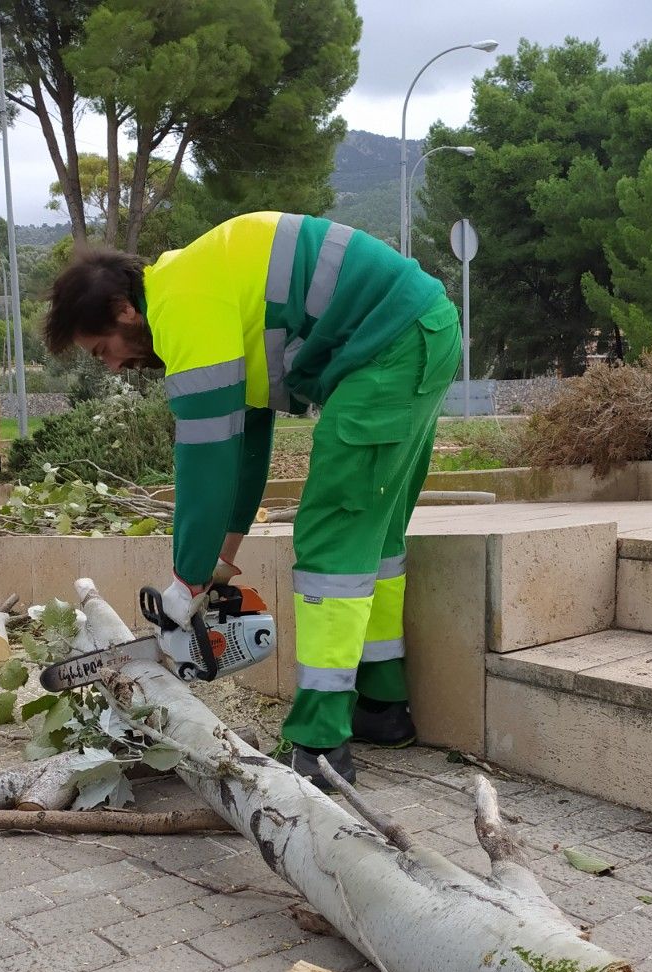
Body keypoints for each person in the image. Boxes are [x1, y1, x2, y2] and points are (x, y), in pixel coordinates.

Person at [41, 212, 460, 790]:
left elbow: (206, 459)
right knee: (374, 539)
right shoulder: (197, 284)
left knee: (331, 542)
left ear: (123, 312)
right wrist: (223, 558)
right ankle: (382, 706)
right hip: (414, 331)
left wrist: (186, 582)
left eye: (103, 350)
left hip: (388, 348)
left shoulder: (182, 307)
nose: (113, 365)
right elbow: (247, 442)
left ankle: (320, 743)